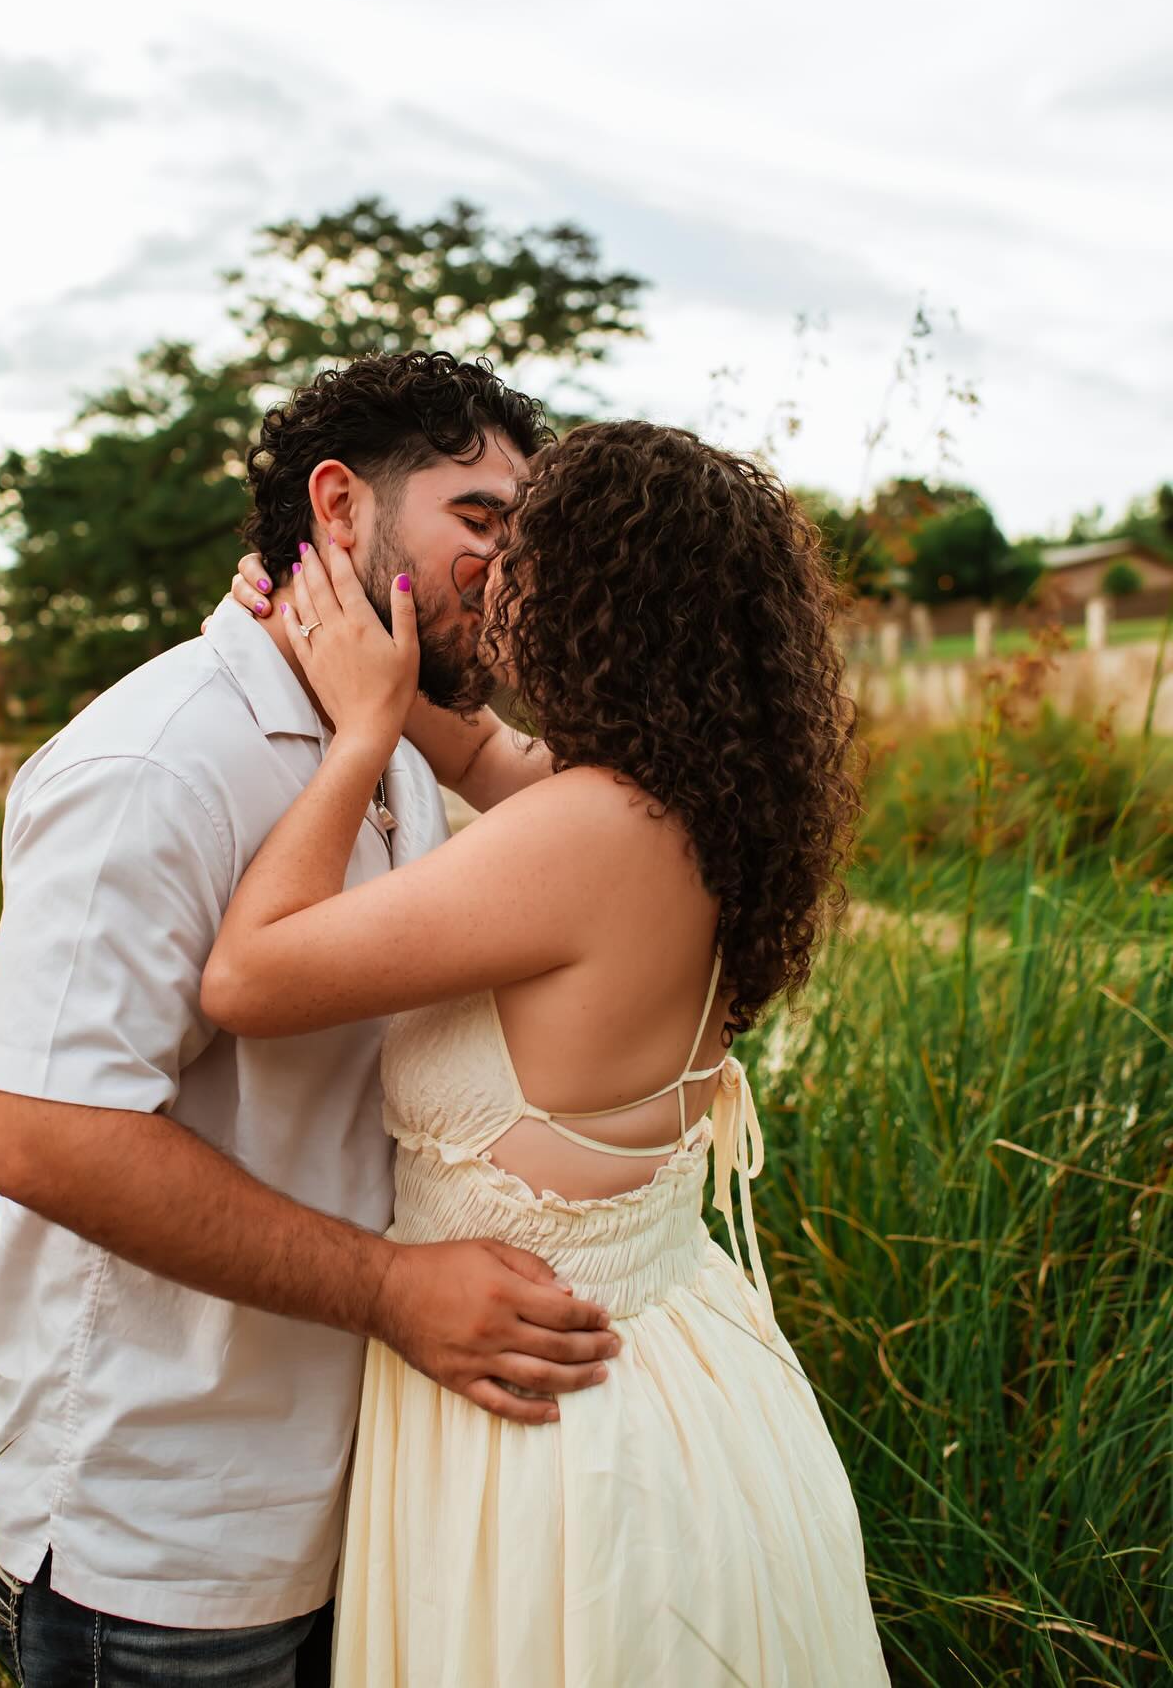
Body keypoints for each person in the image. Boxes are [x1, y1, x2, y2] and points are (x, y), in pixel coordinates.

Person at [0, 352, 623, 1688]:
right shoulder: (153, 762)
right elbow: (47, 1137)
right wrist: (392, 1289)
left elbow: (595, 788)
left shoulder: (391, 734)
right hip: (164, 1549)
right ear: (339, 507)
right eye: (481, 521)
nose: (512, 567)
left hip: (364, 1503)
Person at [211, 421, 891, 1685]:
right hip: (671, 1372)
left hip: (556, 1436)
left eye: (522, 556)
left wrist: (359, 734)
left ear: (598, 600)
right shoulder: (693, 801)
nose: (491, 580)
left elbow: (248, 976)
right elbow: (475, 747)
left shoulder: (584, 833)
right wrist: (342, 626)